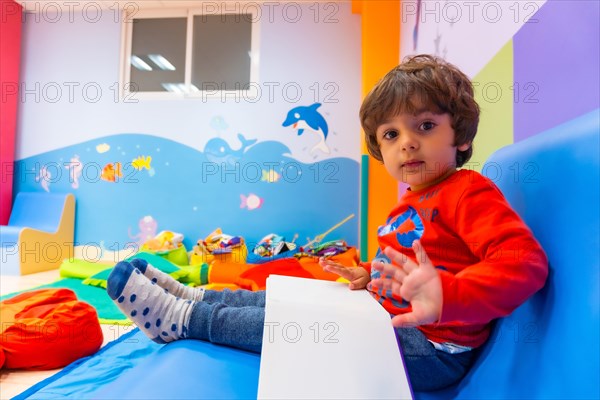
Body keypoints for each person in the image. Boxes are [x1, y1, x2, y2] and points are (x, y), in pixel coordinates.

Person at [107, 54, 548, 392]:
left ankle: (186, 319)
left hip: (432, 350)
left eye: (426, 125)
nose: (407, 143)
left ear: (462, 136)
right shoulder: (409, 203)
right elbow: (404, 272)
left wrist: (447, 294)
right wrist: (368, 277)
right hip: (389, 317)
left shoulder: (467, 191)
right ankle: (199, 295)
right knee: (285, 297)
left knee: (291, 326)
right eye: (390, 135)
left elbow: (525, 264)